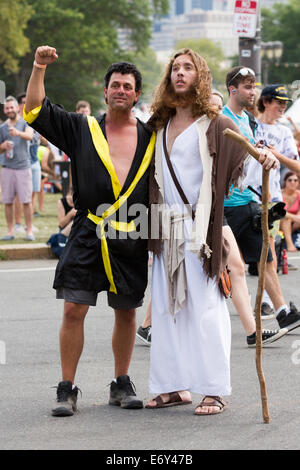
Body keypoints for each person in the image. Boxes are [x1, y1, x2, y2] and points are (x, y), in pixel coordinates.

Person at [24, 45, 155, 416]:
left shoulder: (150, 136)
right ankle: (67, 387)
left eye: (128, 86)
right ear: (105, 91)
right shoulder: (83, 129)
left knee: (127, 312)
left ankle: (121, 382)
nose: (120, 91)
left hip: (131, 234)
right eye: (115, 85)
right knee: (73, 310)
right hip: (88, 231)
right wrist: (38, 66)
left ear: (136, 94)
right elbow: (35, 110)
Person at [145, 49, 278, 415]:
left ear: (200, 76)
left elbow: (252, 152)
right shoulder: (159, 122)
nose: (180, 73)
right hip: (165, 229)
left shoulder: (216, 123)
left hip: (201, 229)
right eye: (175, 68)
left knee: (206, 308)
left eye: (188, 67)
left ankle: (213, 389)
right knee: (168, 309)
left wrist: (264, 157)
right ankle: (172, 386)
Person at [223, 67, 300, 334]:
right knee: (220, 267)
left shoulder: (248, 120)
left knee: (264, 256)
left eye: (254, 86)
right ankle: (151, 322)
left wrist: (269, 160)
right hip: (225, 204)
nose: (252, 92)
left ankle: (280, 313)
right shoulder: (223, 118)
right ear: (233, 89)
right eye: (247, 87)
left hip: (252, 202)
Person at [0, 96, 35, 241]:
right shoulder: (2, 128)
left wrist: (17, 133)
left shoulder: (25, 122)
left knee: (26, 201)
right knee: (8, 201)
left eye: (12, 107)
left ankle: (29, 231)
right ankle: (10, 232)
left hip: (23, 168)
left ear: (17, 108)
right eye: (7, 108)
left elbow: (29, 136)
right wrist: (3, 146)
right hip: (7, 168)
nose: (10, 110)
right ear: (4, 110)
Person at [280, 171, 300, 251]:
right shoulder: (279, 194)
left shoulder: (299, 194)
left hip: (295, 224)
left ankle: (286, 238)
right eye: (290, 180)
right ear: (285, 182)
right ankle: (290, 245)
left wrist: (295, 218)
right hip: (281, 221)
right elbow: (279, 211)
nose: (293, 182)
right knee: (286, 219)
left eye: (295, 180)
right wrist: (294, 217)